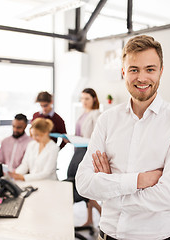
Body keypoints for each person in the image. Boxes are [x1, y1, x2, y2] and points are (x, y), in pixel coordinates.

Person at [76, 35, 170, 240]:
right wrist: (139, 180)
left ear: (161, 72)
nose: (142, 78)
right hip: (106, 235)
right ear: (123, 72)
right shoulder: (107, 120)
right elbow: (84, 183)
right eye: (134, 69)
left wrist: (111, 188)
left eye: (150, 69)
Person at [66, 88, 102, 227]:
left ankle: (101, 212)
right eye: (82, 98)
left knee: (83, 184)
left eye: (87, 98)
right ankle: (90, 220)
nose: (84, 101)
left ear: (94, 99)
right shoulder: (82, 114)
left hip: (87, 151)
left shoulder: (96, 114)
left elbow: (96, 137)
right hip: (78, 149)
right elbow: (79, 133)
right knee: (82, 184)